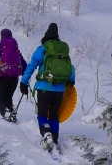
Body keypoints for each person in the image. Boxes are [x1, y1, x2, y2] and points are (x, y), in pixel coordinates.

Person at [19, 22, 75, 150]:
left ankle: (46, 133)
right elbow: (71, 68)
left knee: (42, 113)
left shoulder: (42, 49)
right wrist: (71, 81)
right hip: (60, 89)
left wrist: (23, 82)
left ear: (45, 37)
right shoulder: (63, 51)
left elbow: (31, 67)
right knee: (54, 114)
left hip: (44, 88)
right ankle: (54, 139)